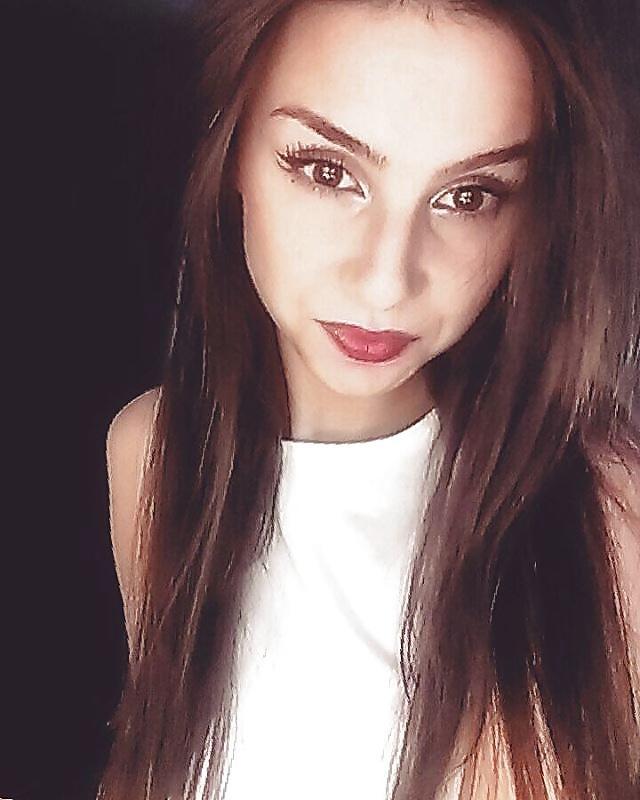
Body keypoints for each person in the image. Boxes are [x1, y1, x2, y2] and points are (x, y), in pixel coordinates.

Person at [100, 0, 640, 798]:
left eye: (468, 196)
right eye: (328, 172)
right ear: (230, 145)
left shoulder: (612, 515)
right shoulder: (153, 453)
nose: (387, 282)